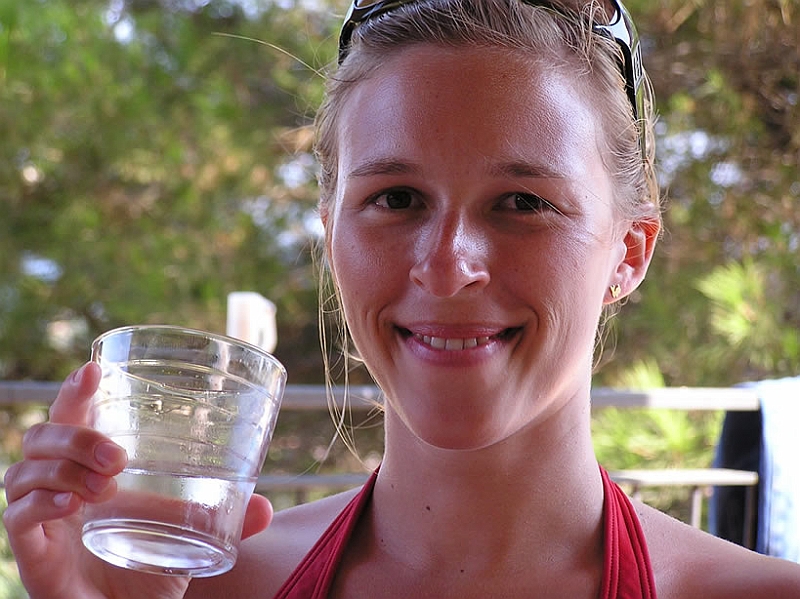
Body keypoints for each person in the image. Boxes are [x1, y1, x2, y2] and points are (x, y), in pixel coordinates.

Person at [4, 0, 800, 597]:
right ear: (331, 234)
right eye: (397, 199)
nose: (447, 268)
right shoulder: (191, 588)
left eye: (522, 202)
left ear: (629, 251)